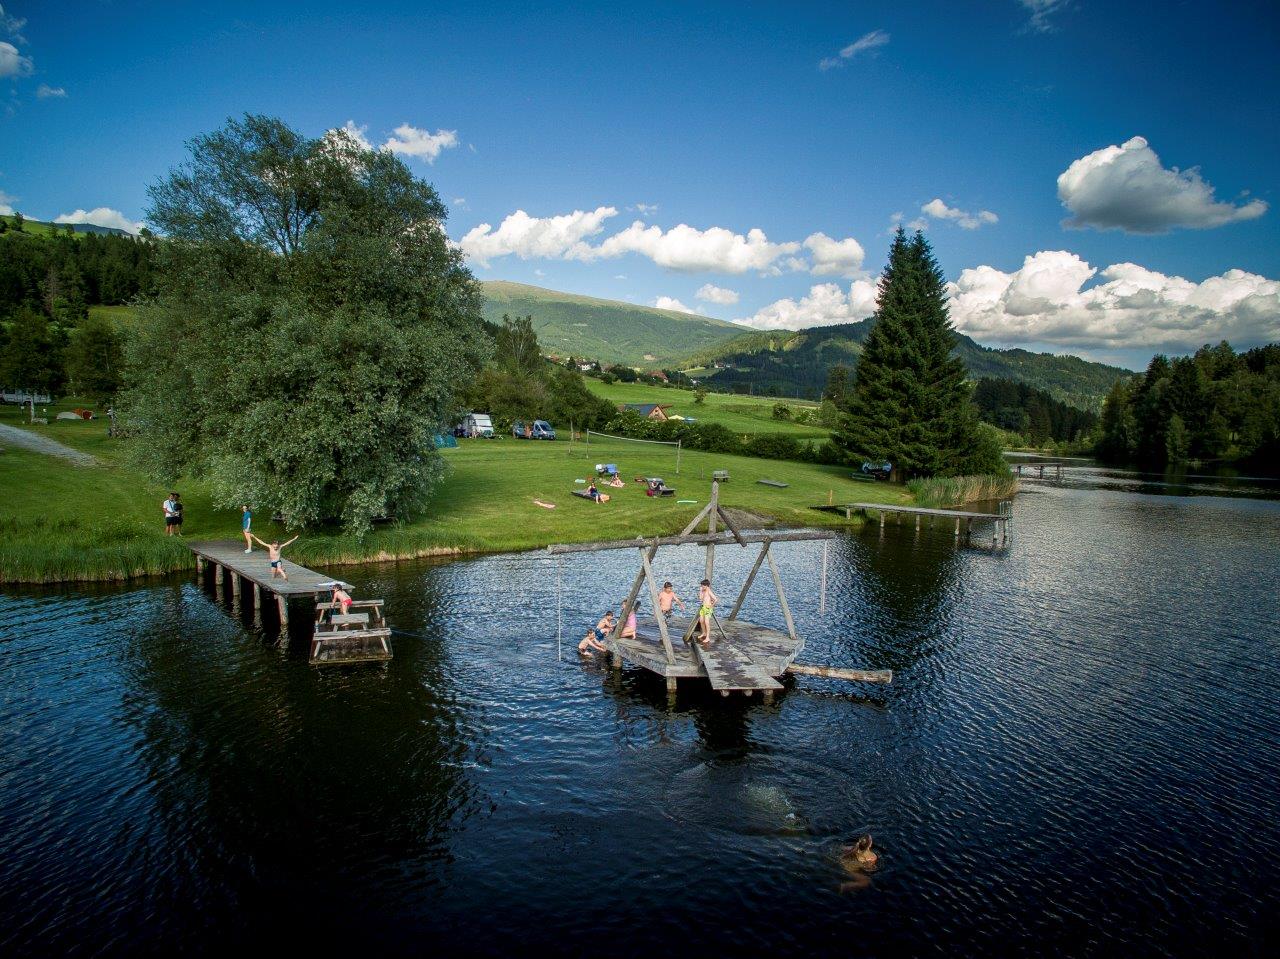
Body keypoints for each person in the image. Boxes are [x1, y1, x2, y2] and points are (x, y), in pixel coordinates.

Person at [696, 578, 719, 646]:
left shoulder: (709, 591)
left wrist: (711, 606)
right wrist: (700, 591)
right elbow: (700, 598)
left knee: (706, 622)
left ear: (707, 586)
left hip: (708, 608)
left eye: (703, 586)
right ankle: (704, 633)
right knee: (701, 621)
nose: (702, 587)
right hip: (703, 607)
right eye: (702, 586)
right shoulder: (703, 591)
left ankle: (708, 637)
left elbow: (715, 599)